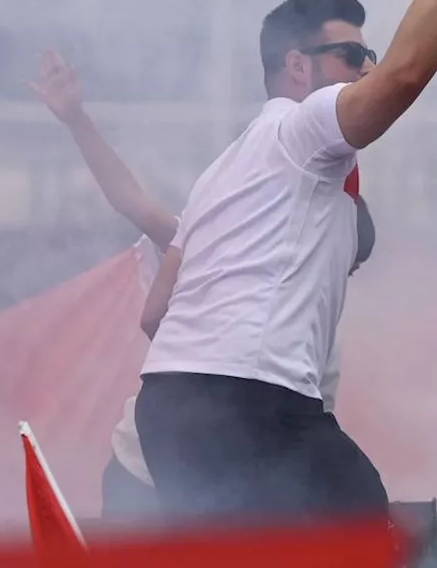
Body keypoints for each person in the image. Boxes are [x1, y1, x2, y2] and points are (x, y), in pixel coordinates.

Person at [134, 0, 437, 523]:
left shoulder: (223, 171)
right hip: (250, 398)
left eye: (368, 55)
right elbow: (403, 78)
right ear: (296, 68)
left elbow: (155, 313)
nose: (367, 68)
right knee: (373, 567)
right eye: (351, 58)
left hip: (170, 403)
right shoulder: (301, 129)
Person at [28, 50, 376, 523]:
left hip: (198, 473)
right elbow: (134, 204)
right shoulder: (222, 253)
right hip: (143, 471)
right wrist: (76, 121)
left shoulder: (309, 349)